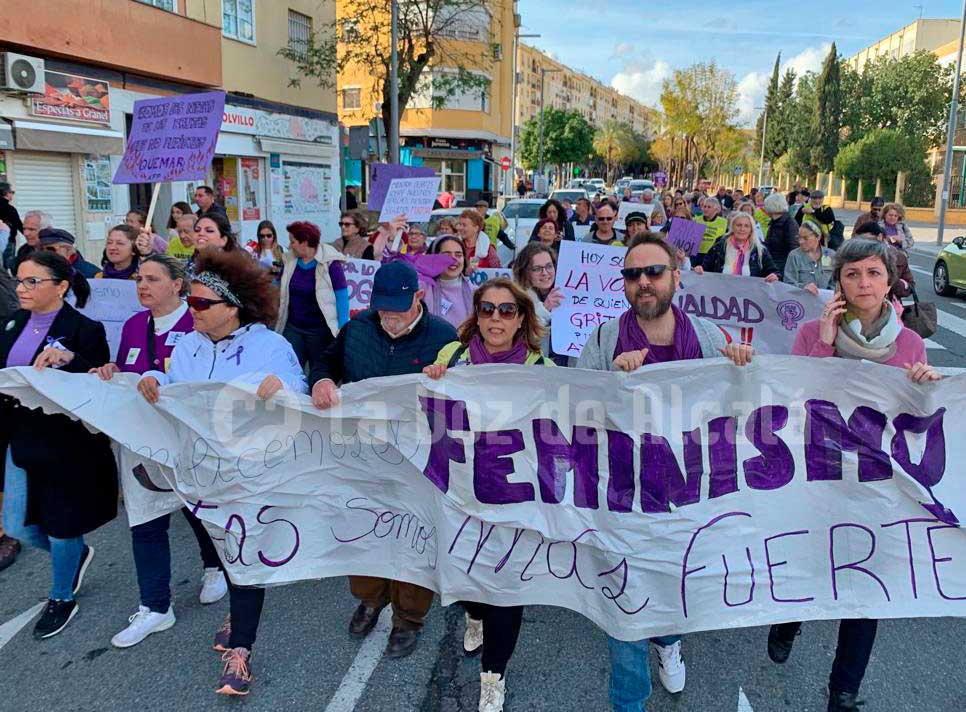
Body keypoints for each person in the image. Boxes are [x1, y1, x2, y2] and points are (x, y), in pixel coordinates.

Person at [576, 233, 752, 712]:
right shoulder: (605, 338)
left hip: (689, 498)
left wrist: (739, 367)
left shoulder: (709, 337)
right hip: (623, 498)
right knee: (626, 607)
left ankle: (670, 638)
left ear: (676, 277)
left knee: (676, 586)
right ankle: (628, 702)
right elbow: (576, 411)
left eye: (654, 272)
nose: (644, 283)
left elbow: (739, 411)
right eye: (633, 275)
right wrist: (612, 381)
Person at [775, 238, 940, 712]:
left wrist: (925, 389)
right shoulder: (811, 332)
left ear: (889, 283)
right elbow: (790, 397)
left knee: (866, 587)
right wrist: (824, 347)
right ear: (840, 282)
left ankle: (843, 692)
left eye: (872, 273)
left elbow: (914, 416)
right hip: (815, 472)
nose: (863, 282)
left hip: (874, 481)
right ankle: (788, 620)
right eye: (853, 274)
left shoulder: (909, 342)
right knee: (808, 562)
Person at [136, 248, 307, 696]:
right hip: (200, 474)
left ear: (233, 307)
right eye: (189, 301)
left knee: (245, 553)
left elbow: (301, 403)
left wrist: (284, 389)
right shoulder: (187, 345)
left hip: (252, 475)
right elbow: (178, 391)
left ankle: (243, 652)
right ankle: (237, 606)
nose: (190, 311)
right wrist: (155, 377)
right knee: (224, 546)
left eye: (200, 304)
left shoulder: (270, 346)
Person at [310, 261, 457, 660]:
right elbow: (326, 361)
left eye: (399, 308)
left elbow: (463, 398)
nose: (389, 317)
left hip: (417, 463)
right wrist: (321, 380)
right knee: (364, 531)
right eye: (383, 308)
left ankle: (408, 619)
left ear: (420, 297)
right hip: (362, 456)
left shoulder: (444, 338)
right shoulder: (357, 328)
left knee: (414, 539)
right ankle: (370, 598)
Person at [422, 278, 550, 712]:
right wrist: (431, 381)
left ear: (521, 321)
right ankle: (473, 613)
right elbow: (423, 410)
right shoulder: (451, 356)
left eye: (507, 311)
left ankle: (494, 674)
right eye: (488, 309)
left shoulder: (540, 369)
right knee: (473, 578)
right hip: (460, 492)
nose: (496, 318)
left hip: (513, 498)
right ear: (476, 314)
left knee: (506, 588)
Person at [88, 255, 227, 648]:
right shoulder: (134, 325)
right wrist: (109, 372)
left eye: (152, 279)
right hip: (141, 443)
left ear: (177, 285)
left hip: (187, 442)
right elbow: (122, 367)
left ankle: (215, 565)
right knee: (145, 522)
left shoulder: (198, 323)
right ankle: (155, 607)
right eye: (139, 279)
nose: (142, 285)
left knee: (195, 508)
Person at [0, 251, 116, 639]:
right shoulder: (12, 322)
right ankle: (75, 556)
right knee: (17, 524)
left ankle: (62, 595)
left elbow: (100, 379)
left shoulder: (85, 328)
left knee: (62, 525)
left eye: (32, 281)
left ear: (61, 286)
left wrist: (69, 360)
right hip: (19, 437)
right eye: (19, 280)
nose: (21, 288)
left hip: (66, 444)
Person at [275, 220, 349, 372]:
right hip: (293, 327)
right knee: (290, 369)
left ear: (305, 243)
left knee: (318, 371)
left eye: (293, 241)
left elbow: (342, 297)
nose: (290, 246)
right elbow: (279, 289)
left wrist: (343, 329)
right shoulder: (289, 261)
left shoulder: (330, 263)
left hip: (320, 330)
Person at [513, 242, 563, 360]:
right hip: (536, 367)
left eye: (549, 266)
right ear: (525, 272)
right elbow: (521, 340)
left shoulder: (569, 292)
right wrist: (545, 309)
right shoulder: (516, 299)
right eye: (537, 269)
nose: (545, 273)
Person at [696, 212, 780, 281]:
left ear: (751, 230)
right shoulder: (719, 246)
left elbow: (774, 271)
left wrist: (774, 276)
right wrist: (699, 269)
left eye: (746, 226)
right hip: (720, 296)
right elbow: (705, 268)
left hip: (749, 298)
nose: (742, 229)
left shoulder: (760, 250)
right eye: (739, 225)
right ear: (732, 227)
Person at [854, 222, 914, 303]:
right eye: (860, 241)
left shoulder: (898, 257)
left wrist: (890, 281)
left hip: (888, 306)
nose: (865, 244)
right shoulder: (852, 256)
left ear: (880, 237)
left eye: (868, 240)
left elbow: (910, 287)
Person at [423, 234, 475, 328]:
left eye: (458, 255)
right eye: (446, 255)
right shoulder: (421, 288)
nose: (453, 260)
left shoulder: (476, 292)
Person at [783, 222, 835, 294]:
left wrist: (828, 294)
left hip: (826, 301)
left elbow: (835, 282)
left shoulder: (830, 255)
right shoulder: (794, 256)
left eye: (805, 238)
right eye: (799, 237)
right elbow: (788, 284)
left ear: (818, 237)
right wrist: (803, 287)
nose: (800, 241)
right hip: (802, 300)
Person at [763, 192, 800, 277]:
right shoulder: (774, 222)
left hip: (782, 266)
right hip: (773, 263)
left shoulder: (789, 224)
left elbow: (793, 248)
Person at [694, 197, 728, 267]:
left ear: (716, 209)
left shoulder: (723, 222)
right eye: (704, 206)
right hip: (697, 254)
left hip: (713, 255)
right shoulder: (696, 220)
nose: (705, 209)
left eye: (709, 207)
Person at [0, 181, 23, 271]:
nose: (12, 195)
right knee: (6, 268)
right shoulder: (9, 209)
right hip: (7, 242)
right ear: (5, 192)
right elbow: (19, 225)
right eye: (12, 192)